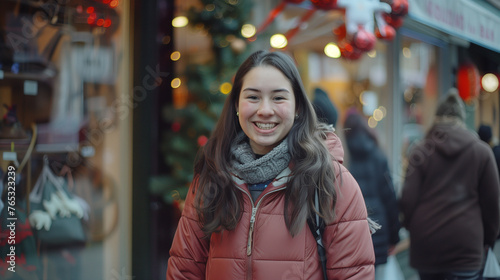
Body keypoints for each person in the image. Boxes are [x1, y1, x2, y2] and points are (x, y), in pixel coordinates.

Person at [166, 50, 375, 279]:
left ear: (297, 107)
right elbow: (184, 271)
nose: (265, 110)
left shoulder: (331, 181)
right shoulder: (211, 176)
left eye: (278, 98)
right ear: (237, 104)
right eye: (253, 97)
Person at [399, 88, 500, 280]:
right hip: (466, 249)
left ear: (437, 119)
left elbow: (407, 201)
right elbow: (492, 205)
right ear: (461, 121)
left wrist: (420, 230)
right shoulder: (482, 152)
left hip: (427, 250)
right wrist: (487, 239)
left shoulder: (420, 151)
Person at [343, 110, 401, 279]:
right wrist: (394, 238)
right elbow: (390, 199)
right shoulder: (378, 155)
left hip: (353, 235)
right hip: (378, 230)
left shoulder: (343, 157)